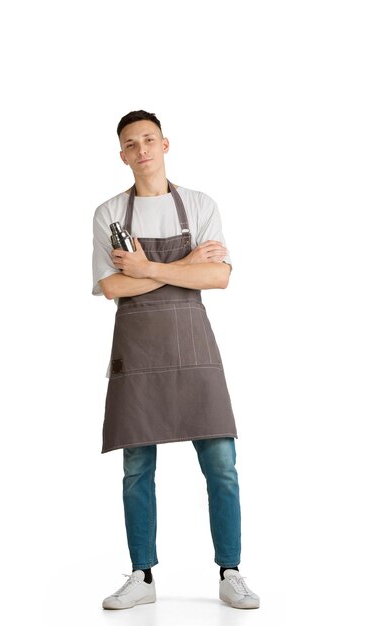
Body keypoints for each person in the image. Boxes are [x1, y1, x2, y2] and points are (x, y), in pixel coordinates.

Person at [92, 110, 260, 610]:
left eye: (148, 139)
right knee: (137, 467)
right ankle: (142, 576)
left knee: (222, 464)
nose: (140, 149)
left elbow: (220, 278)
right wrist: (184, 265)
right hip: (137, 350)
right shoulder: (108, 215)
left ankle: (230, 571)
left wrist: (147, 267)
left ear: (165, 144)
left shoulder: (200, 204)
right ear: (121, 154)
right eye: (130, 143)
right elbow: (112, 287)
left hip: (194, 346)